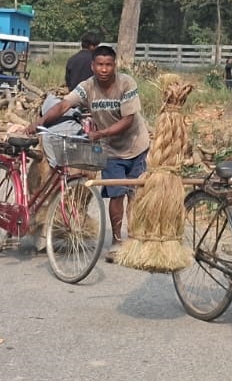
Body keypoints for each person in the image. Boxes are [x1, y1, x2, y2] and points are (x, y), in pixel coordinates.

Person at [33, 45, 149, 252]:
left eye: (108, 65)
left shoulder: (126, 83)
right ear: (92, 66)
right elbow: (63, 106)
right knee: (116, 194)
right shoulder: (87, 87)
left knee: (135, 194)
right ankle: (116, 241)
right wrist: (39, 121)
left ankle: (135, 238)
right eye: (100, 65)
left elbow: (129, 120)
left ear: (115, 66)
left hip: (136, 144)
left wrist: (101, 133)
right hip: (112, 150)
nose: (104, 69)